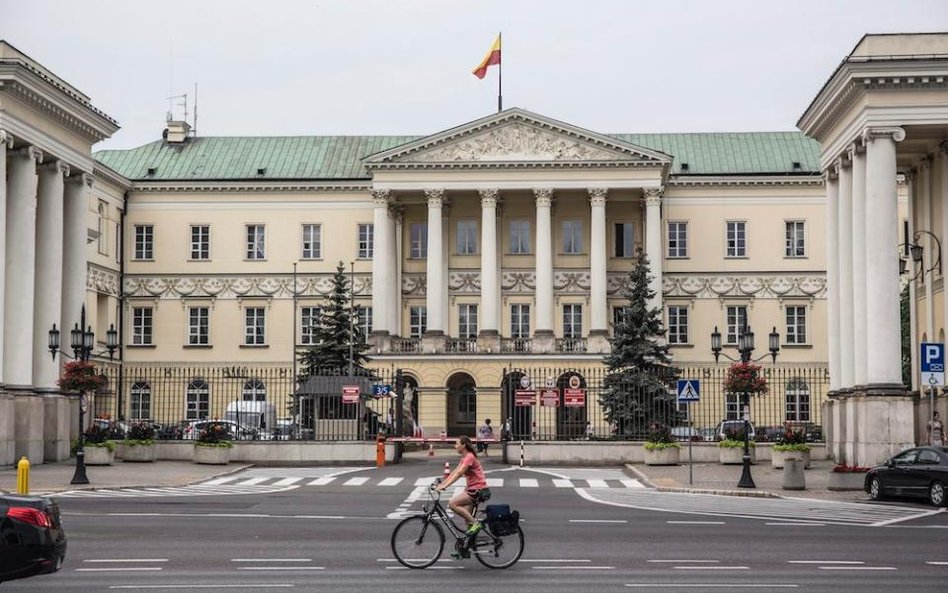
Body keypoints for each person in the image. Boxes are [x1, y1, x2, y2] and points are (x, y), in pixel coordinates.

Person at [436, 435, 491, 558]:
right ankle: (465, 550)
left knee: (452, 504)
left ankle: (476, 523)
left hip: (478, 490)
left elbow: (460, 473)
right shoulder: (465, 458)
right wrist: (442, 484)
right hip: (473, 489)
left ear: (464, 445)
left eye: (457, 443)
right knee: (467, 521)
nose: (455, 446)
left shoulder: (469, 457)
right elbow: (455, 472)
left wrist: (445, 487)